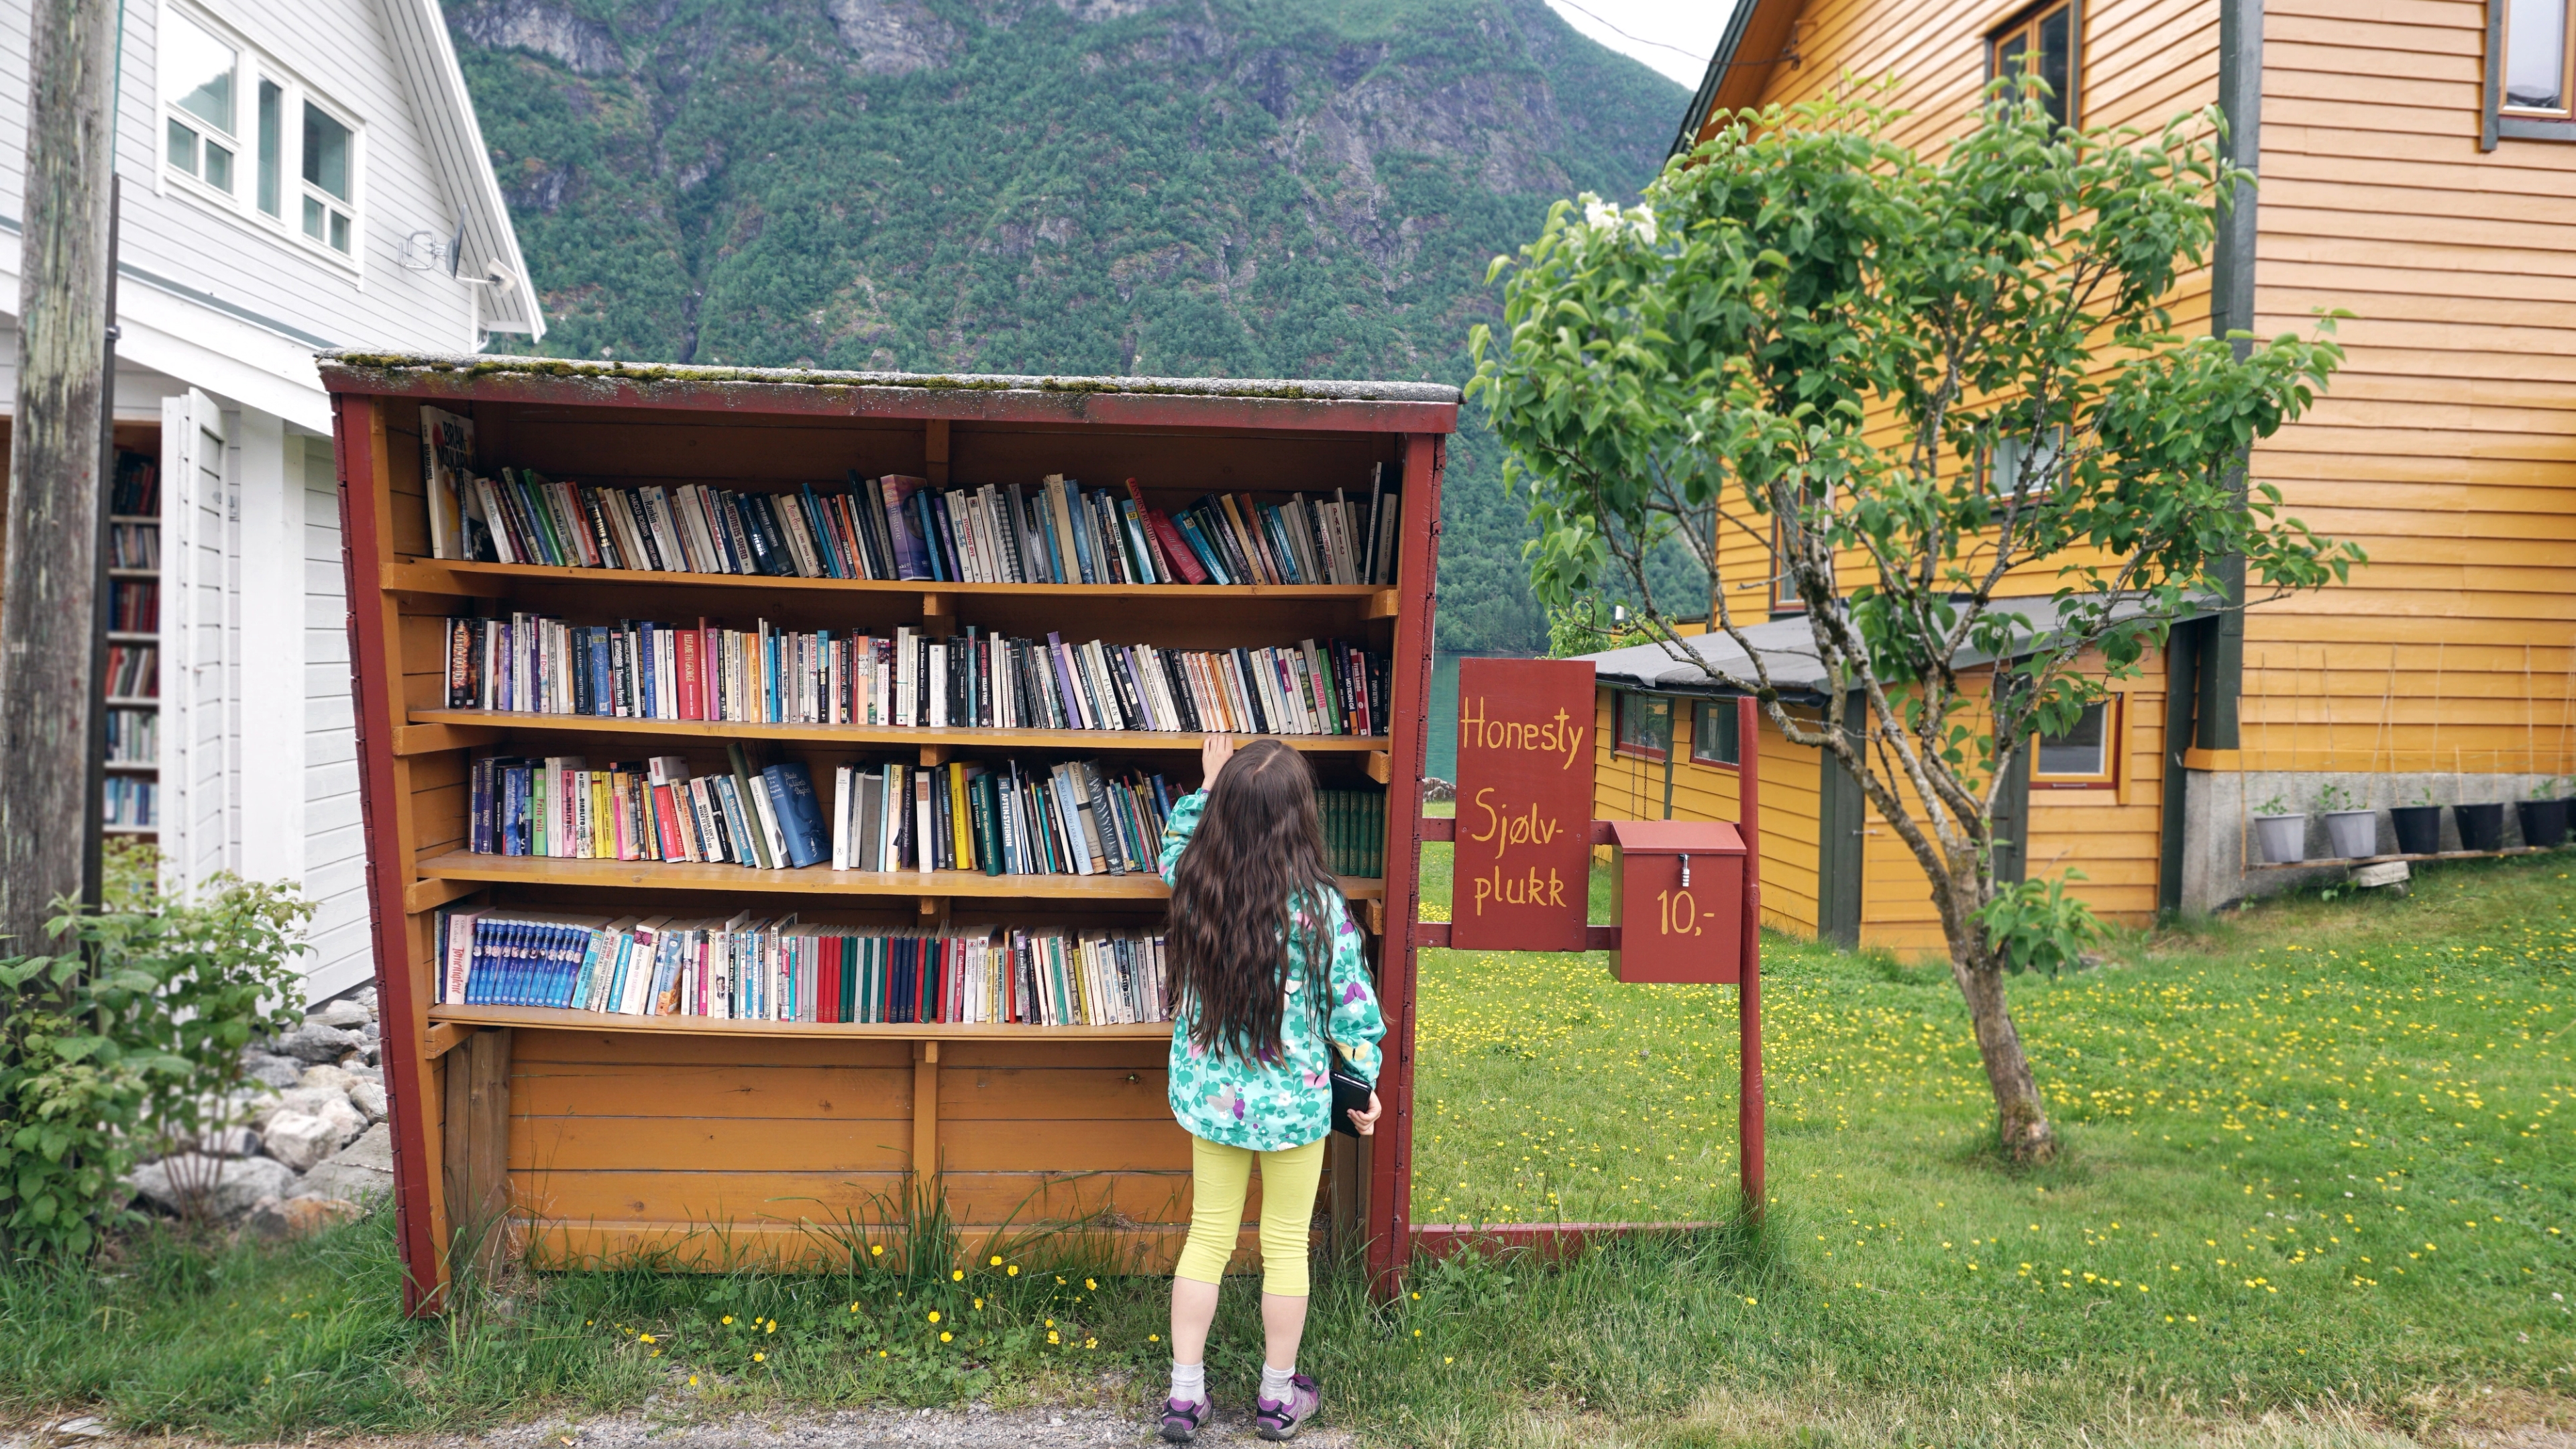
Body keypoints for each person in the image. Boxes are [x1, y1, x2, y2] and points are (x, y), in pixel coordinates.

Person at [1155, 735, 1385, 1444]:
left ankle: (1186, 1397)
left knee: (1208, 1239)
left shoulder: (1195, 883)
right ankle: (1278, 1398)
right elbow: (1353, 1012)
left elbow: (1172, 846)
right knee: (1286, 1246)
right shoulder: (1320, 908)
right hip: (1294, 1109)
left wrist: (1204, 786)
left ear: (1223, 813)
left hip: (1214, 1105)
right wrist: (1363, 1084)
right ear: (1300, 819)